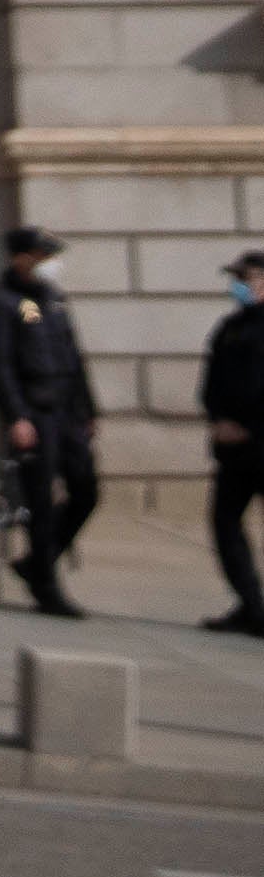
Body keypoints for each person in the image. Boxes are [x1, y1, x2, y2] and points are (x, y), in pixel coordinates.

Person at [0, 224, 101, 619]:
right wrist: (16, 416)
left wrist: (88, 408)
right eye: (42, 256)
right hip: (34, 411)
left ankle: (35, 562)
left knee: (87, 491)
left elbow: (72, 354)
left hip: (66, 411)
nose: (50, 264)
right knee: (40, 502)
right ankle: (46, 586)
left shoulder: (44, 301)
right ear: (21, 257)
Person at [206, 247, 264, 639]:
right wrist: (219, 421)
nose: (239, 286)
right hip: (234, 449)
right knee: (224, 522)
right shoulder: (230, 327)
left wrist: (251, 427)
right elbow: (211, 384)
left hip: (260, 441)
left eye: (246, 279)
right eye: (237, 279)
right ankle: (250, 605)